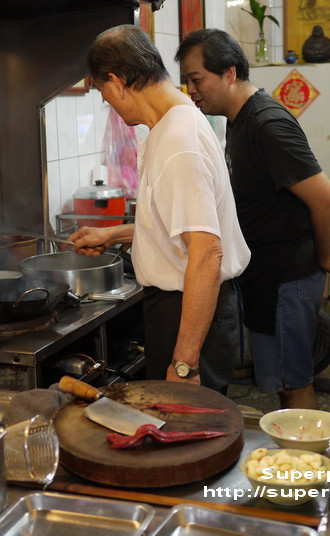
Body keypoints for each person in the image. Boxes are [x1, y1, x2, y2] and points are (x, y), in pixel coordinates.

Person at [68, 25, 251, 393]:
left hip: (189, 310)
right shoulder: (174, 124)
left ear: (117, 81)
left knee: (187, 422)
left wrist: (184, 364)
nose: (109, 104)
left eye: (104, 94)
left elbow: (206, 254)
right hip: (186, 306)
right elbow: (180, 225)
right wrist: (113, 233)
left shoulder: (177, 141)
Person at [175, 29, 330, 409]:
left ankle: (309, 450)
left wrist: (323, 257)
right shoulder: (238, 120)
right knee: (285, 383)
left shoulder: (266, 123)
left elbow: (329, 204)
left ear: (229, 72)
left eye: (197, 79)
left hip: (284, 279)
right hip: (267, 278)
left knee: (294, 383)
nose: (191, 90)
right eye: (187, 81)